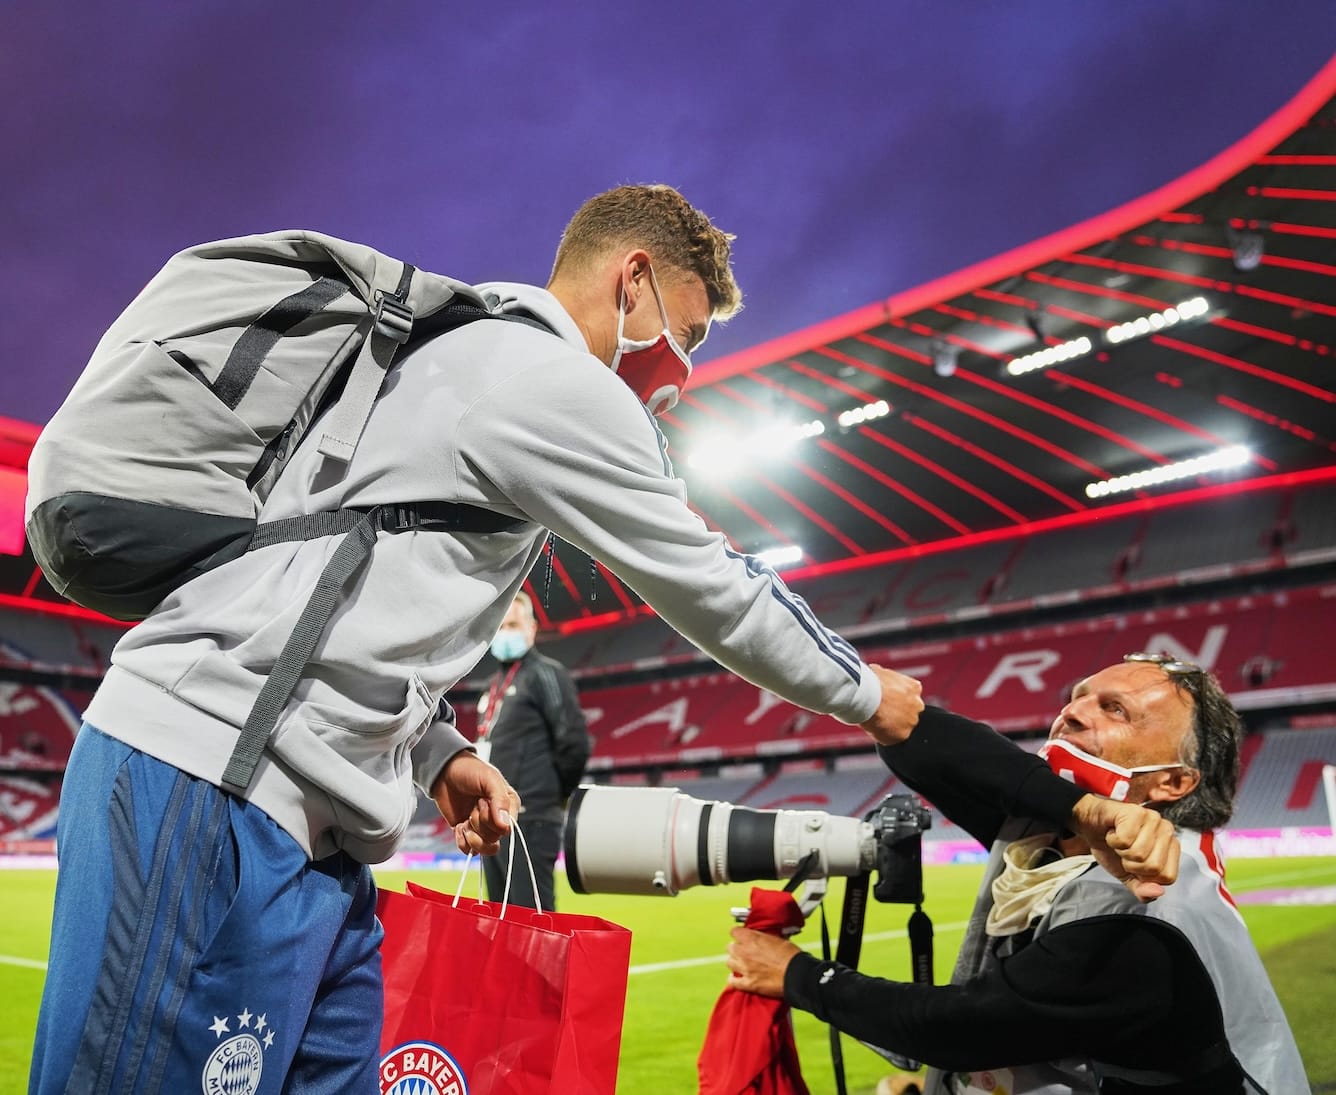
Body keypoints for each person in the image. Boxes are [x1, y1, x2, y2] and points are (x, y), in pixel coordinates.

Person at [29, 184, 1175, 1094]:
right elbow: (712, 585)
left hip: (317, 840)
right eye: (681, 338)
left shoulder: (465, 373)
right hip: (209, 783)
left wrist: (438, 754)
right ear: (630, 281)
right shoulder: (538, 377)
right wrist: (878, 700)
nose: (678, 379)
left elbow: (353, 593)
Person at [726, 654, 1309, 1094]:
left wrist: (799, 975)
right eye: (1078, 697)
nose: (1073, 710)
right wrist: (886, 711)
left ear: (1173, 783)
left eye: (1115, 710)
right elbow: (928, 748)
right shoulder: (1051, 829)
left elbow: (965, 1028)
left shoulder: (1146, 906)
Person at [476, 591, 591, 911]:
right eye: (500, 626)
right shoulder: (492, 684)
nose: (505, 633)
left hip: (531, 818)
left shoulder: (546, 673)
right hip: (496, 820)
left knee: (532, 918)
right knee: (500, 917)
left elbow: (574, 742)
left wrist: (550, 796)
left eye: (513, 624)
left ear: (532, 628)